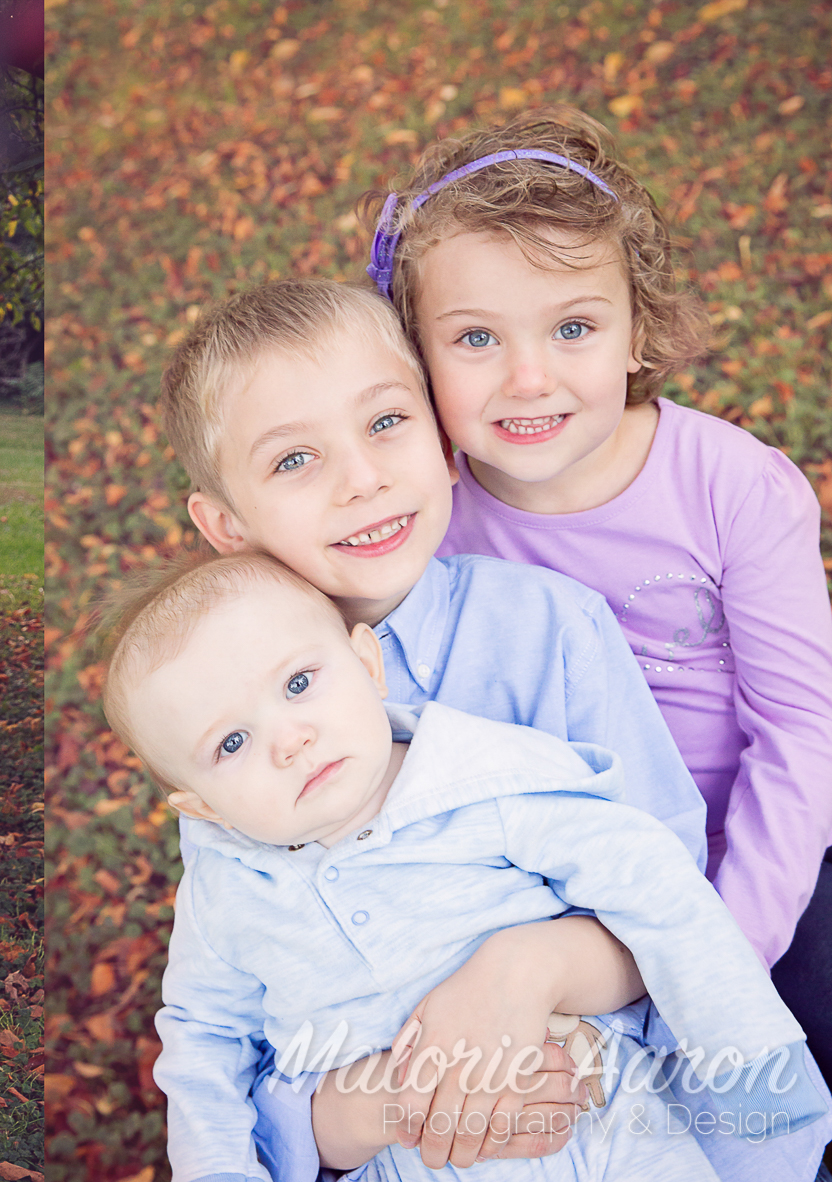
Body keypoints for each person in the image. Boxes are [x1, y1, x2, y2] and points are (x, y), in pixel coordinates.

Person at [156, 276, 831, 1176]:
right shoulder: (233, 713)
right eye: (293, 460)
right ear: (226, 524)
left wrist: (542, 967)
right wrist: (343, 1117)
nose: (363, 480)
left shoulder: (552, 627)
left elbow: (669, 889)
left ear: (443, 443)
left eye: (386, 423)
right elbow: (227, 1004)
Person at [367, 108, 832, 1101]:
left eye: (572, 327)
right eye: (476, 338)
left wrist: (720, 955)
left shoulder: (732, 488)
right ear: (413, 353)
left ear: (636, 332)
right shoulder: (423, 518)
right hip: (546, 880)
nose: (527, 377)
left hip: (748, 855)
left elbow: (799, 736)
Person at [105, 549, 815, 1182]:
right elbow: (204, 1043)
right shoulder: (226, 894)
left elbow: (654, 883)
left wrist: (750, 1069)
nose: (289, 740)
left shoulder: (485, 778)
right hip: (403, 1160)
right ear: (202, 809)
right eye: (232, 742)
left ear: (367, 665)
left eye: (298, 685)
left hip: (597, 1124)